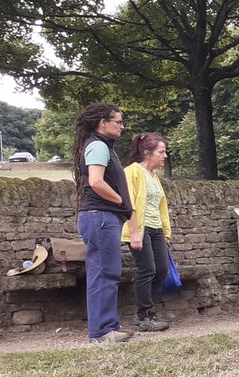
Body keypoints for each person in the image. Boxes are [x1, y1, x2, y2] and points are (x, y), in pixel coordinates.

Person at [73, 103, 135, 343]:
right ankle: (101, 331)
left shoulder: (101, 146)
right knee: (103, 273)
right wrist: (121, 202)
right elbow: (97, 182)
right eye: (117, 121)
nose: (122, 126)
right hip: (100, 216)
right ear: (102, 123)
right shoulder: (98, 146)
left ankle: (108, 326)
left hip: (101, 217)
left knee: (107, 272)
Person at [121, 134, 173, 332]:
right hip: (139, 229)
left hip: (156, 228)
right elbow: (129, 204)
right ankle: (145, 315)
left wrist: (166, 233)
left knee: (161, 270)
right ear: (147, 153)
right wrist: (134, 233)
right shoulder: (132, 172)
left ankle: (144, 313)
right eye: (161, 152)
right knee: (147, 270)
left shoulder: (154, 176)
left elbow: (161, 206)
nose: (164, 155)